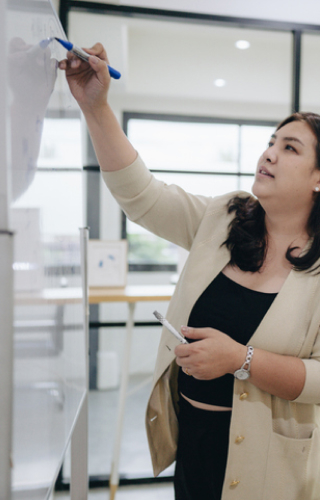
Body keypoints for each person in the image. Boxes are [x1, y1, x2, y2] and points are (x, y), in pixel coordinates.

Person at [59, 44, 320, 500]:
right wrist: (96, 107)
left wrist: (242, 360)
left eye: (290, 147)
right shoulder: (223, 218)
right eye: (271, 143)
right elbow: (141, 195)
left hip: (271, 464)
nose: (270, 154)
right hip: (193, 442)